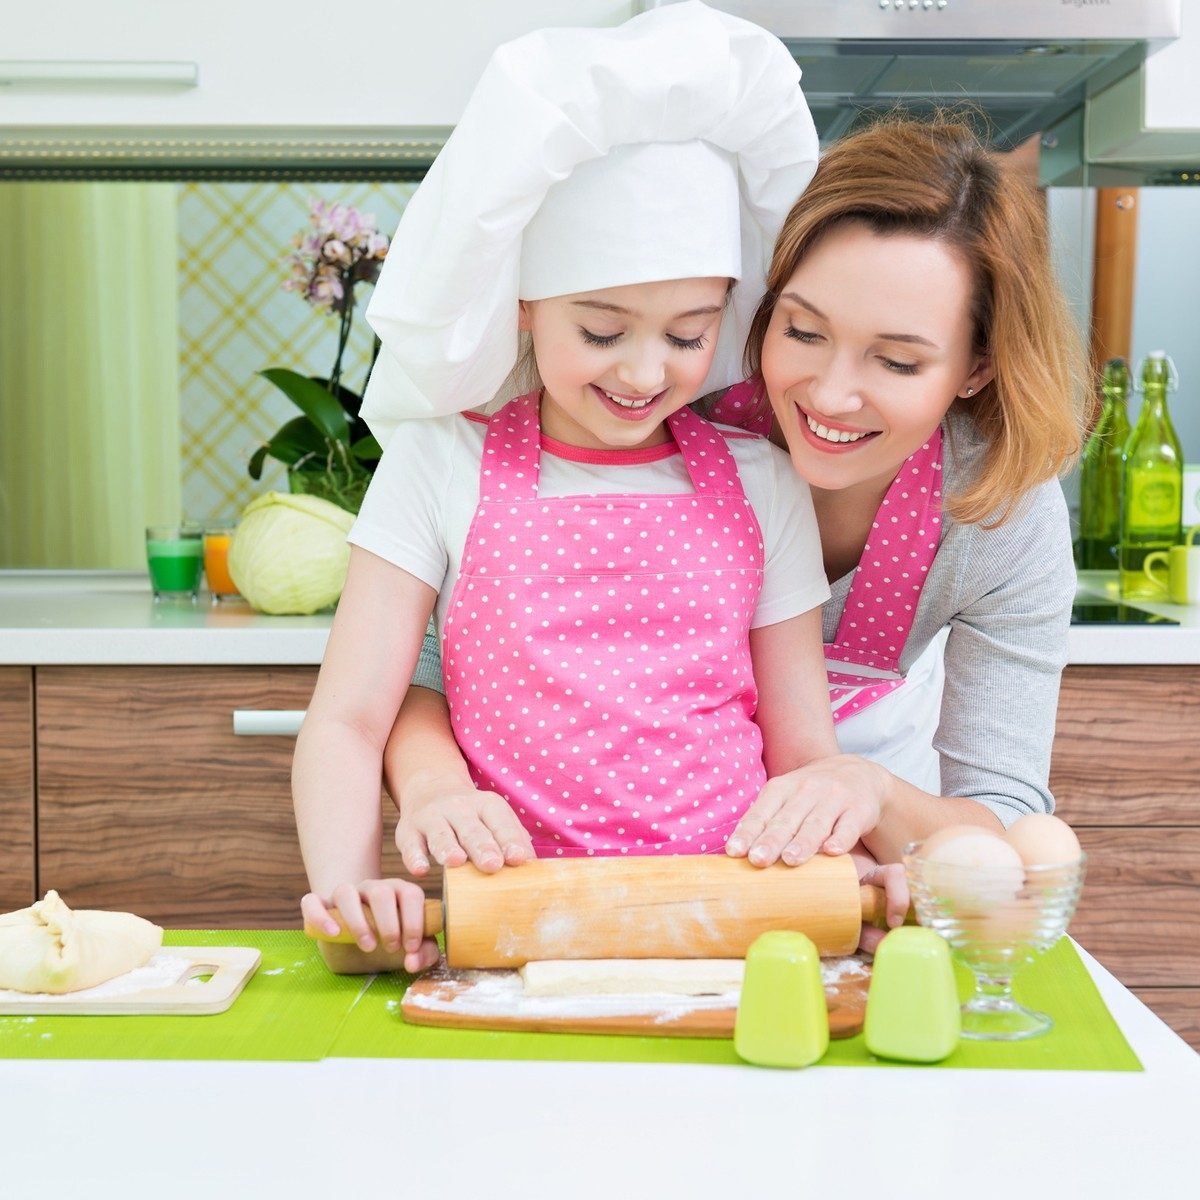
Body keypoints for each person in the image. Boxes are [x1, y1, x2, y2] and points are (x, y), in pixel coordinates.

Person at [293, 3, 892, 975]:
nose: (644, 372)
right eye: (603, 332)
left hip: (733, 933)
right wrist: (357, 888)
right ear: (526, 307)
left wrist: (848, 841)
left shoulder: (762, 479)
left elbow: (800, 745)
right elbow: (351, 717)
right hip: (510, 937)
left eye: (689, 332)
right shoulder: (440, 461)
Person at [392, 112, 1088, 923]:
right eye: (802, 331)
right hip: (588, 853)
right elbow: (433, 665)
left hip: (871, 818)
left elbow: (1003, 818)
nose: (830, 394)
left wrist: (869, 800)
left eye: (897, 361)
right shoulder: (656, 408)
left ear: (976, 368)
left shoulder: (998, 514)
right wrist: (432, 786)